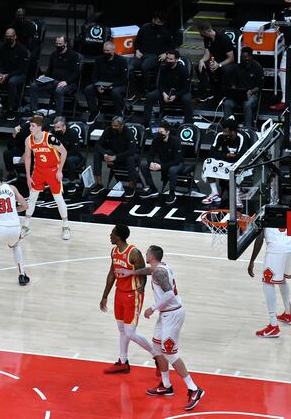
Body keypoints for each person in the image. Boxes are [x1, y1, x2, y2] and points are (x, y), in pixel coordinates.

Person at [115, 246, 205, 411]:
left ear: (152, 256)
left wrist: (152, 308)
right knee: (157, 348)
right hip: (166, 315)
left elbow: (169, 293)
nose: (145, 254)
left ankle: (194, 389)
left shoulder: (159, 273)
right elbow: (149, 270)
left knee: (170, 352)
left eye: (147, 252)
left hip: (172, 315)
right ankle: (166, 385)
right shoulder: (160, 268)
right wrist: (131, 273)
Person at [99, 225, 158, 374]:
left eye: (112, 233)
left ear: (118, 236)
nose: (110, 235)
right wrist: (105, 295)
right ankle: (123, 362)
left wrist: (142, 287)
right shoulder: (114, 251)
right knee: (122, 329)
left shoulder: (134, 253)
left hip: (133, 294)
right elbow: (112, 274)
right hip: (120, 292)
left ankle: (157, 355)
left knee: (130, 332)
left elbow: (145, 271)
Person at [21, 115, 71, 240]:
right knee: (32, 198)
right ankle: (26, 227)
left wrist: (60, 171)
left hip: (52, 170)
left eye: (32, 126)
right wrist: (28, 176)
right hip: (38, 171)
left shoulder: (50, 137)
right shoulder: (28, 140)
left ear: (39, 127)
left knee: (58, 199)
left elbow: (64, 152)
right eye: (30, 126)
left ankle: (66, 227)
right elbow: (27, 158)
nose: (30, 128)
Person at [248, 228, 291, 337]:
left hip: (275, 251)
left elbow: (259, 239)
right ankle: (288, 314)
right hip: (289, 247)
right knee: (282, 279)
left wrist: (252, 260)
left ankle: (273, 326)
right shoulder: (288, 210)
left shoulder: (265, 212)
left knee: (267, 283)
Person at [29, 35, 82, 115]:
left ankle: (58, 115)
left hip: (68, 83)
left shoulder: (73, 55)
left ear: (66, 44)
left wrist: (67, 82)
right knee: (34, 86)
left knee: (59, 90)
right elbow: (50, 69)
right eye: (57, 44)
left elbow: (76, 73)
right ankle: (34, 111)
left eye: (60, 44)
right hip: (53, 81)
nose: (58, 46)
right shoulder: (54, 54)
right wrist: (44, 76)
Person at [0, 28, 29, 121]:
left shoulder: (22, 50)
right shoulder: (0, 48)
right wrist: (1, 74)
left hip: (19, 74)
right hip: (4, 73)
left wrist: (7, 75)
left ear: (15, 37)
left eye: (10, 37)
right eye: (7, 36)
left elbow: (21, 69)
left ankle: (11, 109)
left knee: (12, 82)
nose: (8, 38)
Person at [89, 117, 138, 198]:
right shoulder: (109, 130)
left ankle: (131, 187)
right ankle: (99, 184)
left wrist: (115, 157)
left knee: (131, 158)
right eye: (112, 125)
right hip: (112, 154)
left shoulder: (128, 132)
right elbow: (98, 144)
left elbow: (132, 150)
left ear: (122, 125)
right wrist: (105, 154)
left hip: (125, 155)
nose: (113, 127)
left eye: (116, 126)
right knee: (96, 154)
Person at [201, 118, 246, 205]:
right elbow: (211, 153)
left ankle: (237, 195)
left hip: (238, 163)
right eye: (223, 131)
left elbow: (241, 157)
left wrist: (222, 155)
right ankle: (214, 193)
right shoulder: (220, 136)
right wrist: (226, 155)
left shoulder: (242, 137)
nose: (224, 133)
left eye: (226, 132)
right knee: (208, 161)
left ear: (233, 132)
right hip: (226, 161)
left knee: (237, 166)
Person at [143, 49, 193, 126]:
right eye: (167, 58)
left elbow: (186, 87)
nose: (168, 61)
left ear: (176, 60)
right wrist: (164, 93)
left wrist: (176, 96)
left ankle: (188, 125)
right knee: (149, 96)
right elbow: (160, 84)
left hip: (180, 92)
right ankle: (145, 124)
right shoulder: (163, 68)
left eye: (171, 59)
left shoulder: (183, 69)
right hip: (166, 92)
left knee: (187, 99)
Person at [84, 41, 128, 124]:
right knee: (88, 89)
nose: (106, 52)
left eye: (108, 51)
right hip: (101, 84)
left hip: (117, 85)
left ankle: (119, 113)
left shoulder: (121, 60)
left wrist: (112, 86)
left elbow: (124, 79)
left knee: (115, 92)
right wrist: (97, 85)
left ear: (113, 50)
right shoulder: (99, 59)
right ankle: (94, 111)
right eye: (104, 50)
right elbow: (94, 76)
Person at [130, 12, 174, 97]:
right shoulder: (144, 28)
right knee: (130, 67)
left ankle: (146, 90)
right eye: (158, 22)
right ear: (153, 20)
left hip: (154, 55)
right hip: (141, 54)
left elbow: (171, 47)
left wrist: (166, 53)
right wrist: (137, 50)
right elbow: (137, 42)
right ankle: (132, 90)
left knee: (144, 67)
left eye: (161, 23)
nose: (159, 24)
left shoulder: (166, 32)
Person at [140, 122, 183, 204]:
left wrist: (161, 167)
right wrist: (151, 163)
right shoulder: (156, 140)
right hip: (163, 161)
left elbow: (177, 160)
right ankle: (152, 188)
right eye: (158, 132)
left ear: (167, 132)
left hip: (177, 163)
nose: (159, 135)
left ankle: (172, 193)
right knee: (144, 165)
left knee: (172, 170)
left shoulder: (176, 141)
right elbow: (150, 155)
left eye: (161, 133)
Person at [223, 47, 263, 129]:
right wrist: (234, 90)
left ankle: (248, 127)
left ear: (251, 56)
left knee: (247, 104)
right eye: (243, 57)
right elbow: (233, 82)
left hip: (252, 94)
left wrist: (251, 91)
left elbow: (260, 86)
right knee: (227, 103)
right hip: (238, 94)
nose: (246, 59)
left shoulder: (257, 67)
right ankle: (228, 126)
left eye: (247, 57)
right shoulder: (237, 67)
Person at [196, 23, 235, 102]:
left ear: (206, 31)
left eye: (201, 32)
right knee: (198, 67)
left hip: (226, 62)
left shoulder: (223, 38)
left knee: (225, 70)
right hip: (215, 61)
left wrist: (219, 65)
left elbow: (231, 58)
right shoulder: (207, 38)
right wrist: (202, 60)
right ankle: (208, 92)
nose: (200, 34)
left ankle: (224, 94)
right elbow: (207, 54)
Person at [51, 116, 84, 190]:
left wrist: (62, 155)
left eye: (58, 127)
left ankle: (72, 182)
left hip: (74, 155)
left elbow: (75, 150)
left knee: (69, 160)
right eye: (55, 127)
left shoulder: (72, 133)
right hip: (59, 154)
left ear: (64, 126)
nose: (56, 129)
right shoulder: (53, 132)